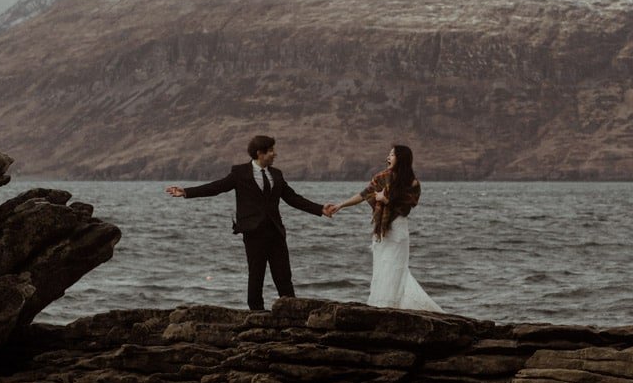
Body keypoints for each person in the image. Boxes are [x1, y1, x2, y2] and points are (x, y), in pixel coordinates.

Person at [166, 134, 332, 311]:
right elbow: (217, 187)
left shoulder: (276, 174)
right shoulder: (240, 173)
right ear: (260, 153)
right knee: (256, 274)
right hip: (253, 232)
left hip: (276, 232)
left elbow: (292, 198)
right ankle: (256, 313)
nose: (275, 154)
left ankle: (291, 311)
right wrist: (186, 192)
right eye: (271, 151)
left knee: (283, 275)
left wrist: (320, 209)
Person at [331, 144, 442, 312]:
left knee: (396, 268)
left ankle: (392, 306)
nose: (387, 158)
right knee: (382, 267)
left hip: (398, 229)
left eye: (392, 154)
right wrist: (341, 205)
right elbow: (363, 195)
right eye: (388, 154)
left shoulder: (412, 183)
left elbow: (407, 207)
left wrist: (386, 199)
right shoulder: (382, 177)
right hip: (382, 230)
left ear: (401, 158)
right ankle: (380, 305)